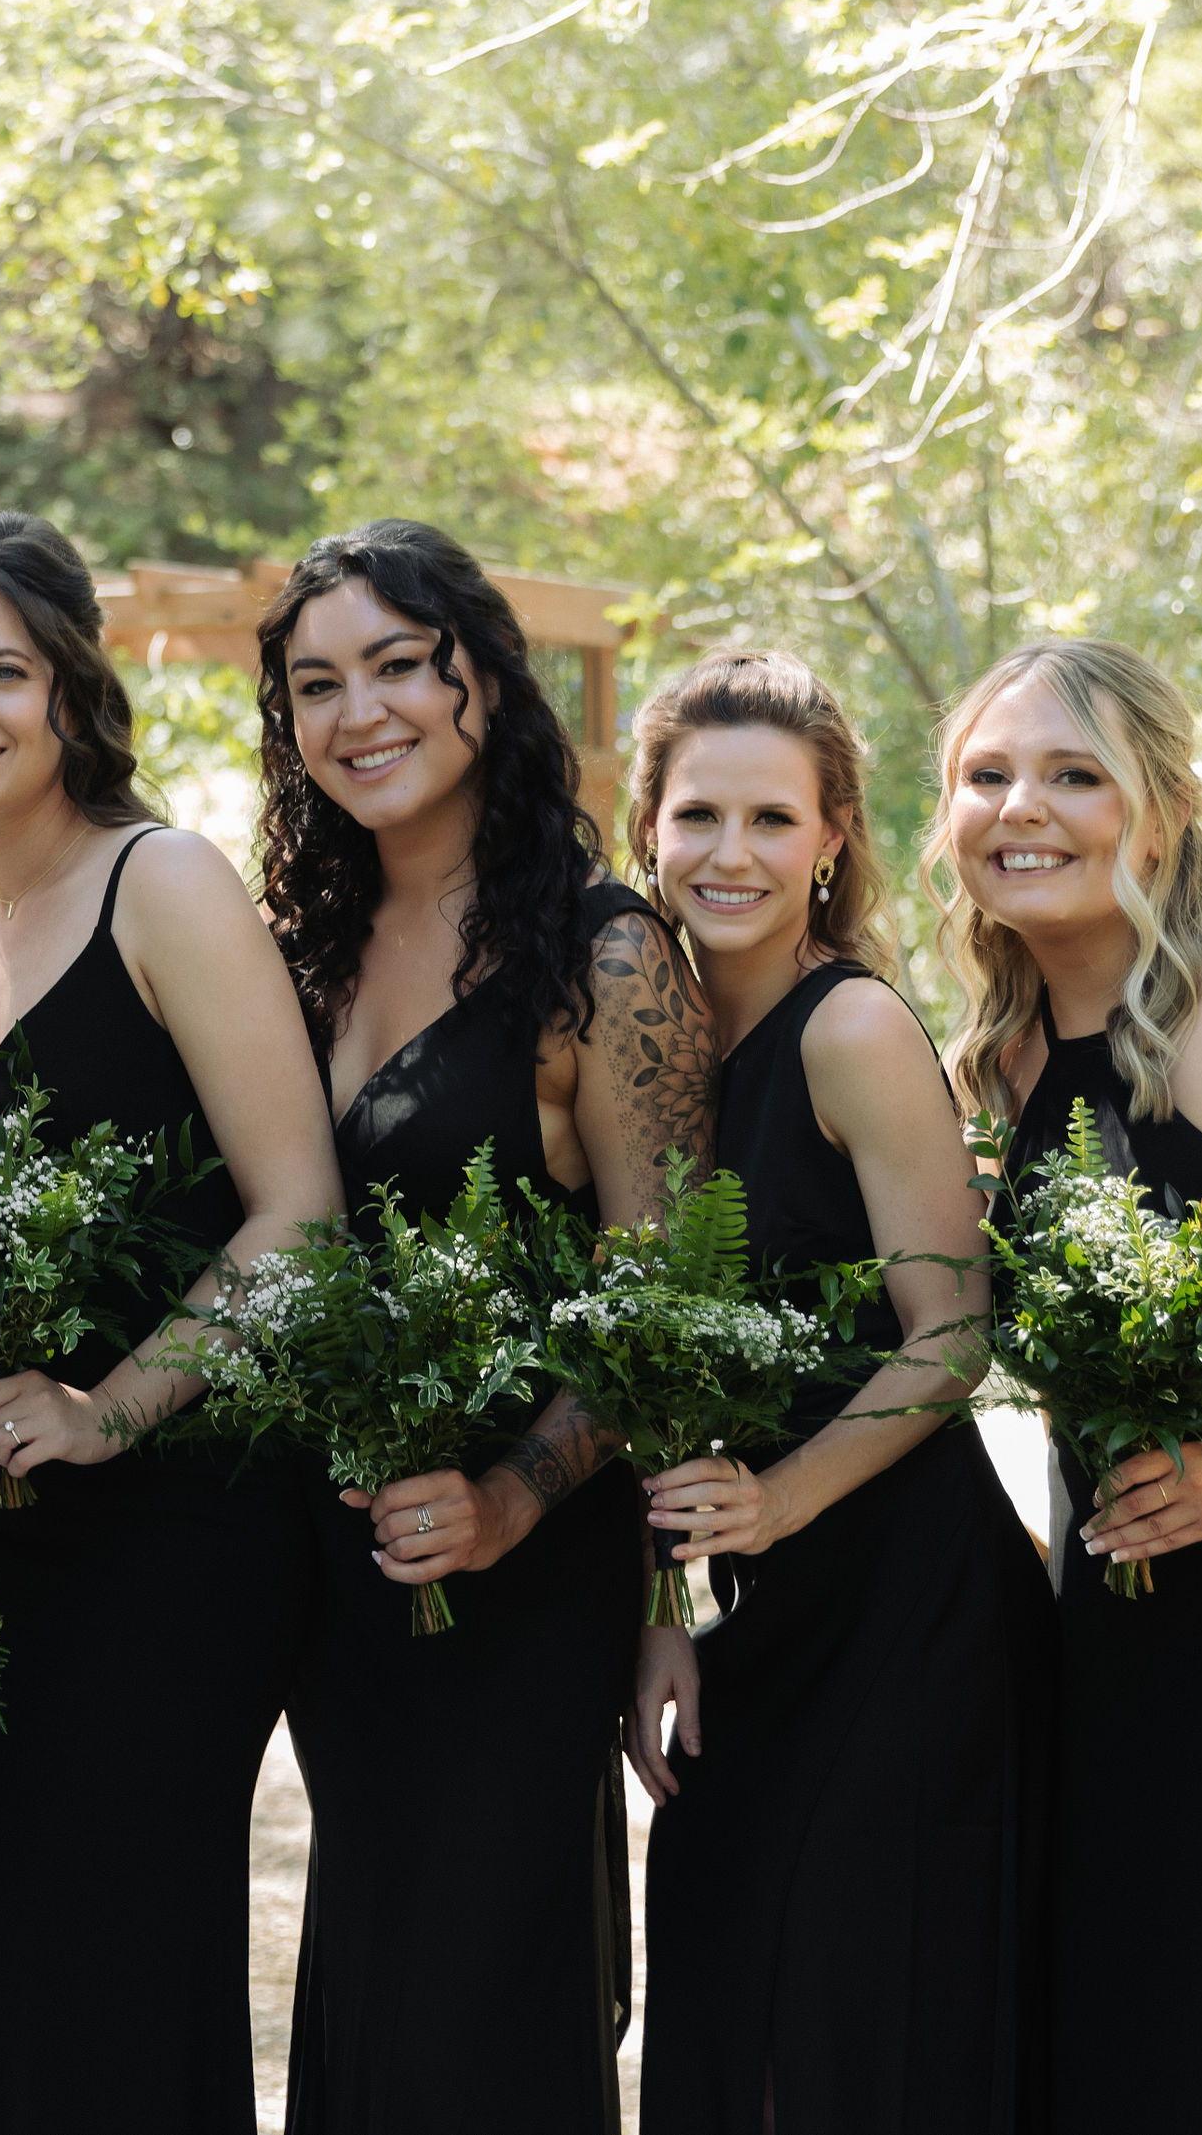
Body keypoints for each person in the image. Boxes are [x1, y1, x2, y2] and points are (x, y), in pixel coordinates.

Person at [0, 513, 339, 2135]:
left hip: (167, 1537)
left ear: (72, 686)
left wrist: (108, 1406)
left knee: (117, 1971)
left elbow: (298, 1211)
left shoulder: (164, 883)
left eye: (1, 671)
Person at [258, 518, 712, 2135]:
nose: (358, 711)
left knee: (480, 2000)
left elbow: (666, 1307)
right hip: (337, 1573)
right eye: (317, 684)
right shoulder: (292, 950)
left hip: (523, 1575)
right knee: (374, 1976)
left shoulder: (604, 953)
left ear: (485, 681)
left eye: (397, 664)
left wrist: (519, 1499)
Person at [629, 646, 1052, 2133]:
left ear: (830, 840)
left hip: (910, 1608)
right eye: (697, 815)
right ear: (647, 830)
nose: (728, 852)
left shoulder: (850, 1029)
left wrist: (774, 1500)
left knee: (852, 2025)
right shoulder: (660, 1047)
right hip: (762, 1610)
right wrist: (658, 1611)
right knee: (722, 1976)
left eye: (769, 818)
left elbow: (951, 1331)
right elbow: (651, 1370)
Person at [932, 637, 1202, 2135]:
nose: (1019, 807)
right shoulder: (1008, 1062)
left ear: (1160, 813)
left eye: (1073, 774)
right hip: (1110, 1626)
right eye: (987, 774)